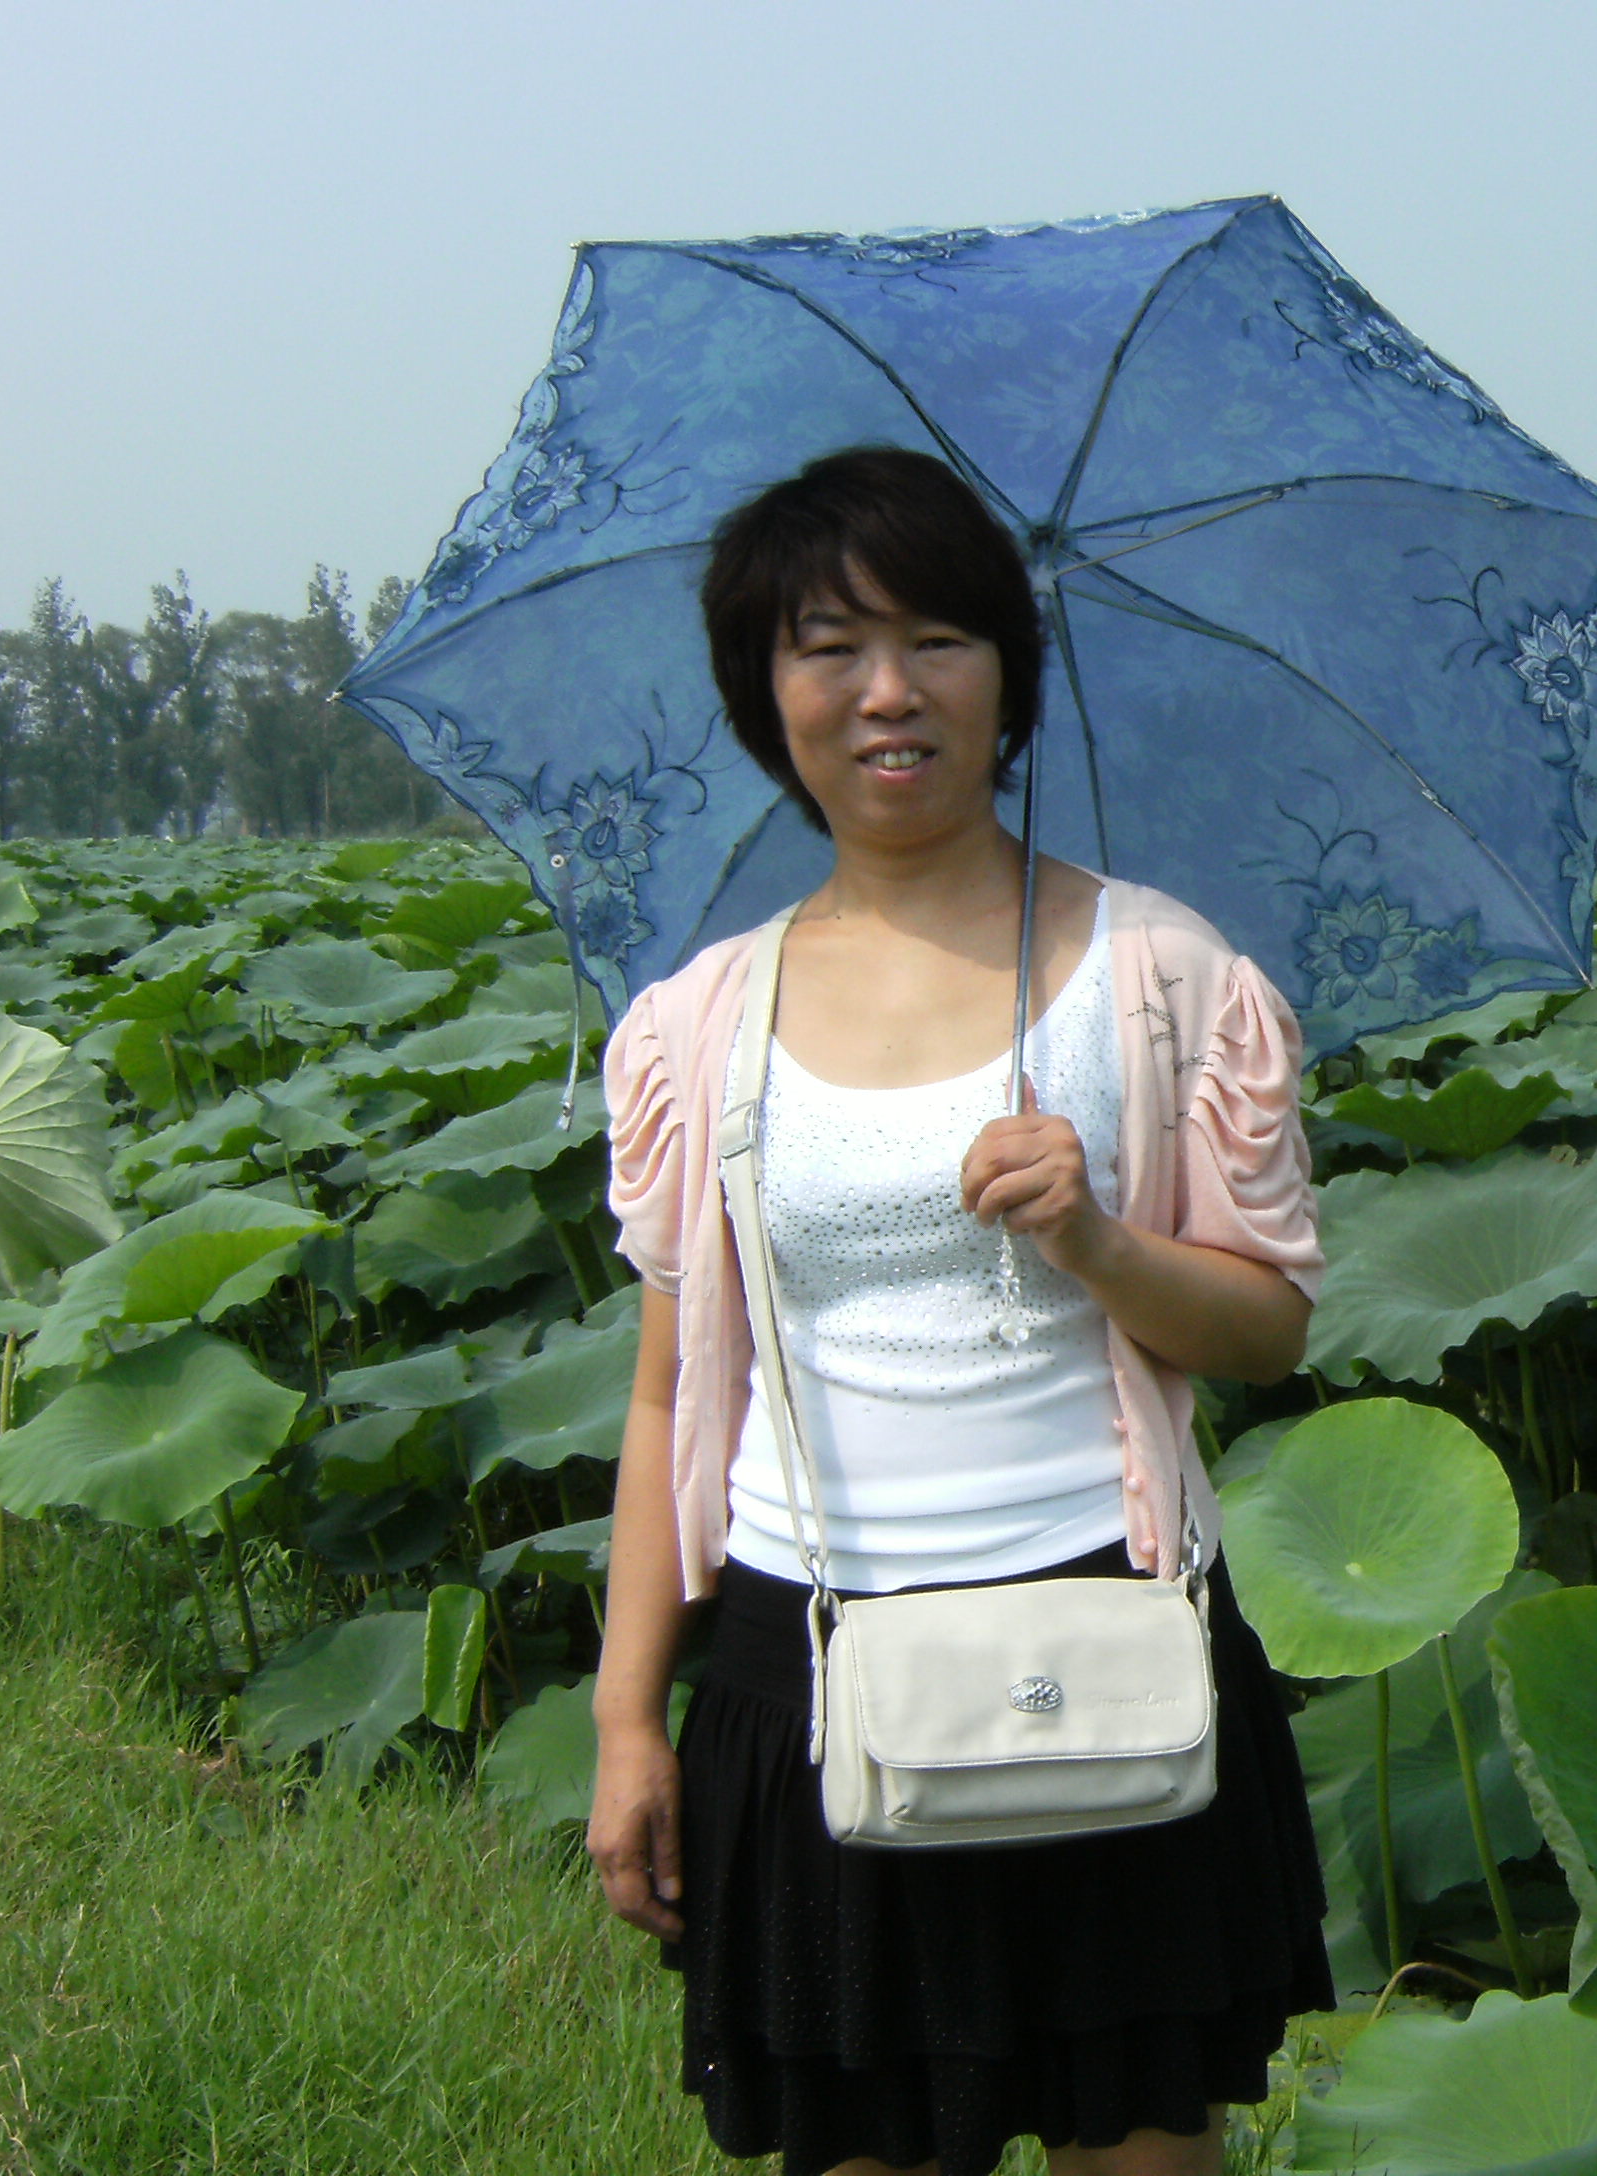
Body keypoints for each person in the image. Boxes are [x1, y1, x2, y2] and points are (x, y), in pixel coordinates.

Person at [587, 445, 1333, 2176]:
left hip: (1107, 1628)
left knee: (1141, 2148)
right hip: (811, 1659)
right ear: (761, 694)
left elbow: (1270, 1327)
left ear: (1010, 678)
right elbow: (667, 1393)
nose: (884, 692)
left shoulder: (1161, 978)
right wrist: (632, 1717)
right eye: (825, 645)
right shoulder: (700, 1021)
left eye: (935, 638)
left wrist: (1099, 1242)